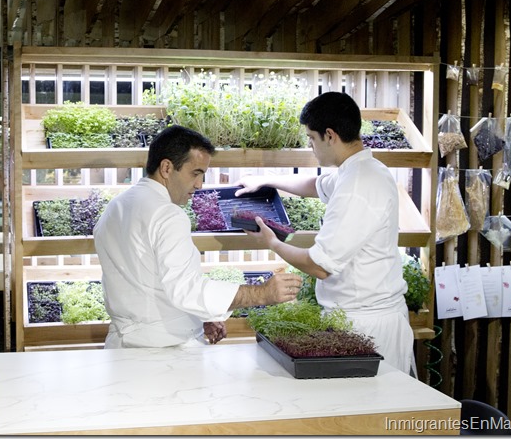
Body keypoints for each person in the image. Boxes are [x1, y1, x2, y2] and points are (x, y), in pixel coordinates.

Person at [235, 92, 416, 376]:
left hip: (367, 326)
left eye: (311, 139)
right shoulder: (358, 170)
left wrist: (271, 242)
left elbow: (319, 266)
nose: (310, 147)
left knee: (370, 414)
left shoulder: (358, 185)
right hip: (355, 318)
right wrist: (265, 180)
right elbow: (315, 184)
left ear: (330, 136)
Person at [93, 124, 303, 349]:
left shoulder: (115, 207)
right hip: (162, 352)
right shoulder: (168, 215)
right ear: (166, 168)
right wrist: (261, 293)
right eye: (196, 173)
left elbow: (146, 281)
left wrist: (193, 318)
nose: (199, 185)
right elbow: (186, 290)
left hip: (122, 347)